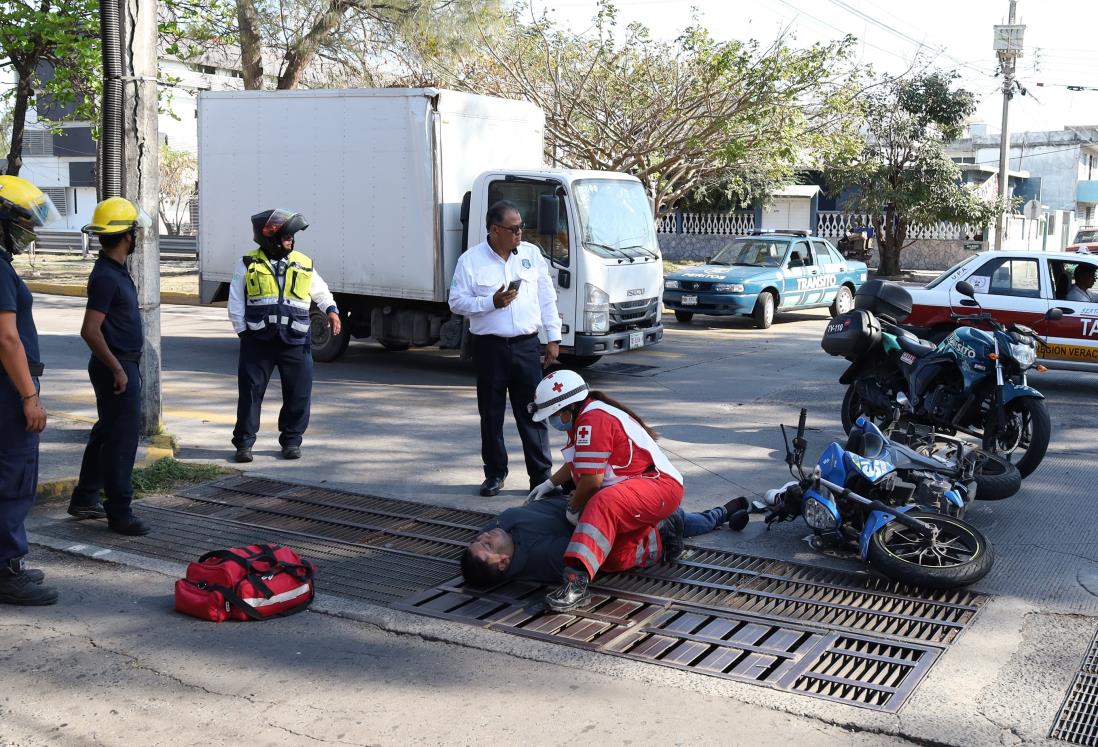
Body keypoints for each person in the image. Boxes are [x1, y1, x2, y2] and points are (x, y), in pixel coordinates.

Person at [524, 370, 702, 612]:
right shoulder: (585, 416)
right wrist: (549, 483)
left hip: (658, 485)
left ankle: (575, 582)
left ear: (568, 409)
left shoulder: (592, 420)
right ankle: (662, 535)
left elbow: (591, 482)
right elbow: (579, 461)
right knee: (610, 558)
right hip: (642, 488)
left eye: (552, 416)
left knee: (602, 501)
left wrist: (574, 507)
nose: (552, 422)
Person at [448, 200, 562, 497]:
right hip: (490, 348)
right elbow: (456, 302)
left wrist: (553, 338)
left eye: (521, 227)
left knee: (534, 414)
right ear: (494, 229)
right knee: (492, 414)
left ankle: (541, 477)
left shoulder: (531, 255)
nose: (520, 233)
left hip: (526, 346)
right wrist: (491, 303)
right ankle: (495, 474)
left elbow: (546, 298)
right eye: (513, 228)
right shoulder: (471, 261)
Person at [67, 197, 153, 537]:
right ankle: (120, 513)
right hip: (116, 368)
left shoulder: (115, 270)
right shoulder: (106, 276)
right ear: (127, 236)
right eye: (135, 232)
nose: (137, 237)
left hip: (119, 364)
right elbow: (89, 330)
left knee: (106, 433)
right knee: (122, 441)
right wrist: (118, 368)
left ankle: (85, 498)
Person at [228, 209, 340, 462]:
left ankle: (291, 441)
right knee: (250, 393)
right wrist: (243, 333)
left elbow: (320, 292)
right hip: (258, 340)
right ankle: (244, 444)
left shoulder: (303, 261)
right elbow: (236, 301)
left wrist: (332, 311)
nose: (291, 241)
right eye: (287, 236)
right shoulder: (247, 262)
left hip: (296, 341)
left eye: (292, 236)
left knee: (299, 394)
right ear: (271, 238)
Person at [461, 494, 750, 588]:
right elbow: (593, 550)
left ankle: (719, 514)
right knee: (682, 518)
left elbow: (496, 525)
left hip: (590, 501)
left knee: (682, 517)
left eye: (480, 537)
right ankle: (720, 514)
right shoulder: (542, 556)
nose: (486, 535)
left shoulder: (506, 537)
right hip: (623, 521)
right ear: (503, 565)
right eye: (487, 546)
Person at [0, 176, 60, 605]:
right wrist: (29, 396)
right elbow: (6, 338)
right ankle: (6, 569)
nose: (30, 231)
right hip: (8, 391)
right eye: (24, 222)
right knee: (15, 477)